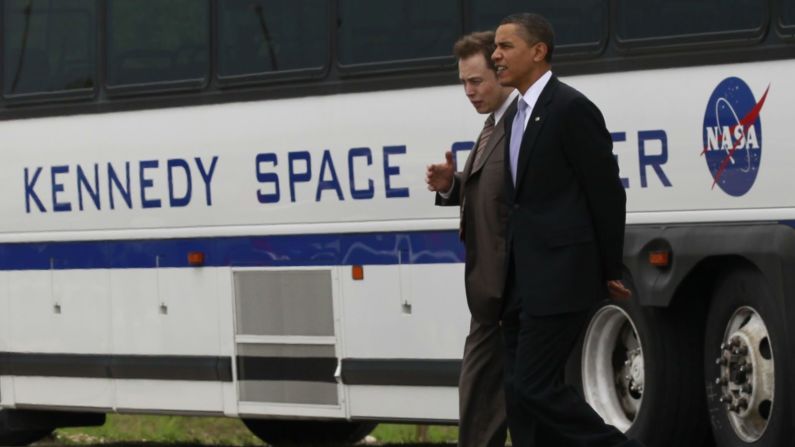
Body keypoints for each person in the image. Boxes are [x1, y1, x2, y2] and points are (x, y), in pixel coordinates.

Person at [491, 13, 643, 447]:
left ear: (538, 52)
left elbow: (607, 193)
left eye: (506, 47)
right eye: (495, 48)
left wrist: (609, 265)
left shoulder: (572, 109)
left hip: (560, 276)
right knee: (519, 395)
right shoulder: (514, 117)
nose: (496, 56)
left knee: (533, 386)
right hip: (522, 281)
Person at [425, 31, 516, 447]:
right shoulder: (491, 126)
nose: (469, 91)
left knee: (494, 399)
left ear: (501, 72)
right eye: (464, 82)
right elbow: (491, 194)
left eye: (476, 81)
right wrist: (452, 186)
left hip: (509, 294)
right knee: (480, 399)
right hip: (489, 296)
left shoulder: (521, 126)